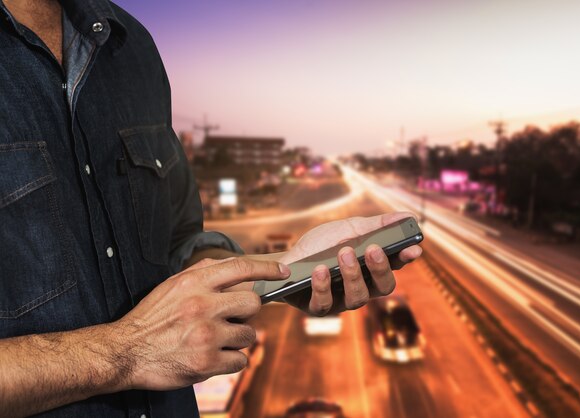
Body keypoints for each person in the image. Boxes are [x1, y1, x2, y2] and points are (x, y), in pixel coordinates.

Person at [0, 1, 422, 417]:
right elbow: (143, 342)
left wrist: (285, 270)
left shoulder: (130, 46)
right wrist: (126, 352)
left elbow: (179, 243)